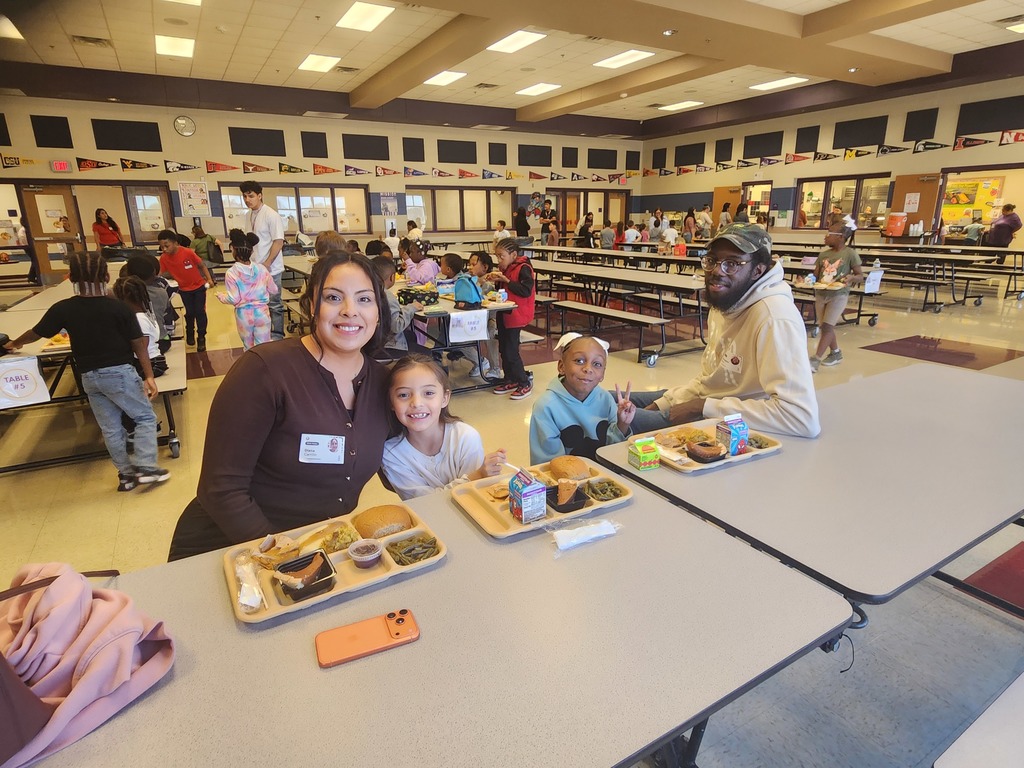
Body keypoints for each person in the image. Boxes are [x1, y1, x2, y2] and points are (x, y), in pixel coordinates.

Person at [167, 251, 394, 560]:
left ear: (379, 311)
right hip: (228, 548)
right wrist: (282, 557)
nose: (350, 311)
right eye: (333, 297)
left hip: (317, 548)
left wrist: (473, 469)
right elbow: (221, 489)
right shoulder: (264, 370)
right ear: (312, 306)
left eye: (364, 299)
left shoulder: (383, 382)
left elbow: (411, 452)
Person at [626, 224, 820, 438]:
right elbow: (709, 380)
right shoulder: (728, 302)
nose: (717, 271)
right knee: (599, 397)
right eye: (712, 260)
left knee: (608, 416)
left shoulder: (774, 317)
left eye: (733, 263)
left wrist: (701, 407)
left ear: (758, 270)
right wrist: (664, 402)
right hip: (708, 402)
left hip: (726, 422)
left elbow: (801, 417)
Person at [4, 252, 169, 492]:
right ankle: (146, 468)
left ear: (71, 278)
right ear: (105, 276)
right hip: (119, 373)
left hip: (89, 377)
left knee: (110, 428)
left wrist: (14, 344)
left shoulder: (63, 309)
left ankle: (125, 475)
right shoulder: (119, 308)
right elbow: (138, 344)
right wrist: (149, 376)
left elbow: (37, 332)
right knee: (144, 417)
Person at [382, 355, 506, 500]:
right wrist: (476, 476)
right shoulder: (391, 453)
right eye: (403, 395)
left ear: (444, 398)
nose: (416, 403)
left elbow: (473, 498)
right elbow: (425, 503)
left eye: (428, 393)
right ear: (391, 402)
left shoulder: (465, 437)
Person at [529, 333, 635, 463]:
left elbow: (614, 451)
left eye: (596, 364)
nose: (587, 369)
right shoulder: (546, 406)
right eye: (579, 361)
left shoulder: (605, 398)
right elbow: (549, 464)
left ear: (602, 374)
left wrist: (622, 424)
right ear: (561, 367)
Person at [809, 226, 864, 372]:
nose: (825, 237)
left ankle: (815, 359)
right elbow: (816, 275)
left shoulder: (850, 254)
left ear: (840, 237)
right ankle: (836, 353)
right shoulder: (823, 255)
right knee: (825, 326)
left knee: (827, 326)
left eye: (829, 235)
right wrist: (807, 279)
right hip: (821, 293)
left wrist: (851, 277)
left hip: (839, 294)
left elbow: (860, 275)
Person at [488, 238, 535, 400]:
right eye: (497, 256)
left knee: (511, 351)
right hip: (504, 312)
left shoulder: (524, 268)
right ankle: (511, 379)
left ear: (513, 254)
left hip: (516, 314)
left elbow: (525, 290)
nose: (499, 260)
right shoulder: (507, 268)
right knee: (503, 348)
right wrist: (496, 281)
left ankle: (524, 382)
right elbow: (504, 289)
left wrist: (506, 280)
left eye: (502, 256)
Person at [216, 229, 279, 351]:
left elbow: (234, 298)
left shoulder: (231, 273)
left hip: (244, 315)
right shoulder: (261, 269)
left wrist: (221, 296)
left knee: (248, 347)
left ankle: (251, 368)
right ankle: (266, 368)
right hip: (262, 313)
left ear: (233, 250)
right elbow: (274, 289)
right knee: (264, 346)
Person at [239, 181, 286, 340]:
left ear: (260, 196)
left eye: (251, 196)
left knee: (275, 304)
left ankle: (277, 336)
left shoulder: (271, 215)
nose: (247, 199)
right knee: (258, 304)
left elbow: (278, 241)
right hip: (254, 269)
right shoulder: (248, 215)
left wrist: (267, 263)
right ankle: (261, 333)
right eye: (244, 196)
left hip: (271, 269)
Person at [158, 228, 214, 352]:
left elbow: (201, 265)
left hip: (198, 287)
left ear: (175, 243)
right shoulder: (164, 258)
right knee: (190, 312)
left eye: (167, 246)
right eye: (162, 247)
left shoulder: (187, 252)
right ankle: (190, 331)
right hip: (184, 289)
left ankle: (201, 337)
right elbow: (159, 273)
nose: (164, 249)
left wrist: (209, 279)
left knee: (200, 311)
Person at [371, 255, 427, 360]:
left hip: (371, 343)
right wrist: (411, 308)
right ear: (392, 277)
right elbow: (396, 326)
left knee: (411, 336)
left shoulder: (369, 292)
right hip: (389, 346)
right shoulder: (387, 296)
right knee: (427, 353)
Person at [112, 275, 168, 378]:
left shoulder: (139, 319)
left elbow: (142, 348)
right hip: (154, 360)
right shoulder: (144, 313)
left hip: (152, 364)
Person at [124, 254, 172, 350]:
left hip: (138, 344)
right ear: (154, 274)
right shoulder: (161, 293)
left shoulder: (122, 295)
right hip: (162, 340)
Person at [468, 251, 501, 379]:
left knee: (490, 330)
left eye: (473, 264)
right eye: (469, 264)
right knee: (456, 339)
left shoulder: (489, 282)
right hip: (474, 318)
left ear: (485, 267)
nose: (470, 267)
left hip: (489, 319)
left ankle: (495, 368)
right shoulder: (472, 280)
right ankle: (480, 361)